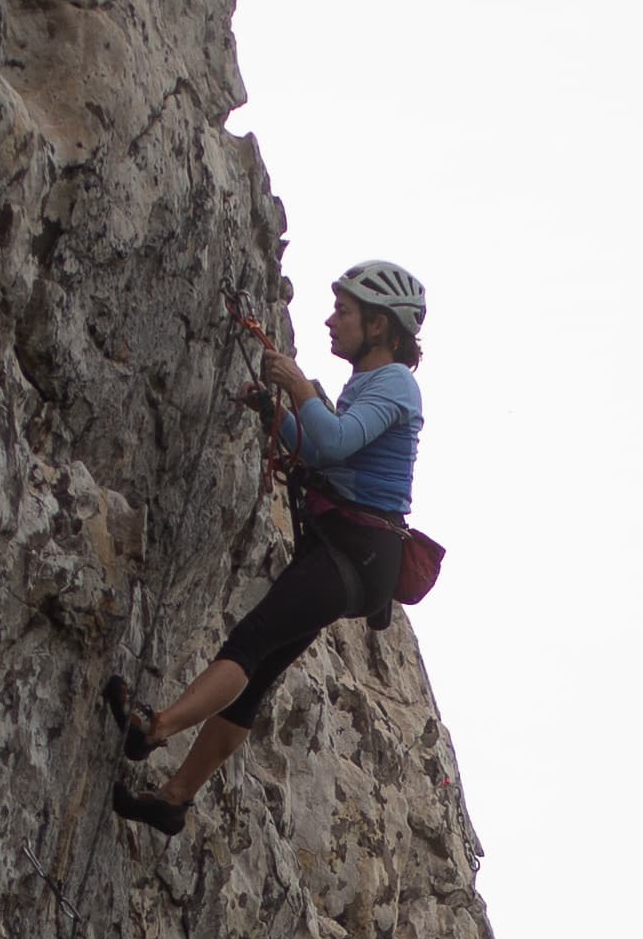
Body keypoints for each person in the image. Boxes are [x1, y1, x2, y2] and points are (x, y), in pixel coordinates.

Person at [108, 258, 426, 823]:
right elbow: (323, 448)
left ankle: (153, 729)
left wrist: (299, 387)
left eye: (344, 312)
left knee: (251, 641)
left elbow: (330, 445)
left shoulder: (395, 382)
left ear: (379, 326)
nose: (332, 321)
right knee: (257, 674)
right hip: (354, 554)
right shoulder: (370, 382)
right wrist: (272, 412)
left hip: (356, 552)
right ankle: (174, 800)